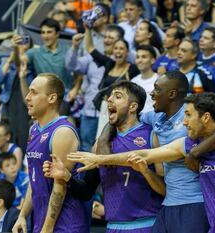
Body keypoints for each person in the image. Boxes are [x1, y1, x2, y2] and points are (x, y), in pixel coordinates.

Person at [69, 92, 215, 232]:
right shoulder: (187, 144)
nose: (185, 121)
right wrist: (100, 158)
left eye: (188, 115)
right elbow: (144, 155)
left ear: (206, 117)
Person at [45, 81, 165, 232]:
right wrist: (66, 176)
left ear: (133, 107)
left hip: (147, 224)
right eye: (110, 96)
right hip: (113, 227)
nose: (109, 99)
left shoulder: (150, 136)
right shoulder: (100, 146)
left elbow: (164, 189)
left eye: (118, 96)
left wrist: (146, 172)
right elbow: (87, 191)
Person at [12, 73, 89, 233]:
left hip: (66, 224)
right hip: (41, 221)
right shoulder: (34, 129)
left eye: (34, 92)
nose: (27, 97)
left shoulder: (62, 132)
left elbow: (60, 186)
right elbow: (34, 177)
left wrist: (47, 229)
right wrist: (22, 215)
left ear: (52, 98)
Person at [65, 24, 124, 152]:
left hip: (112, 113)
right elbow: (72, 66)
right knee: (86, 147)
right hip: (90, 111)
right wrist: (74, 47)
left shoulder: (123, 60)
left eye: (111, 38)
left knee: (110, 148)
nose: (107, 40)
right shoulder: (94, 57)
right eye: (106, 37)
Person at [132, 45, 158, 114]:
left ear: (153, 60)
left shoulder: (159, 80)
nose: (139, 60)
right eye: (137, 57)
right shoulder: (133, 81)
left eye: (144, 57)